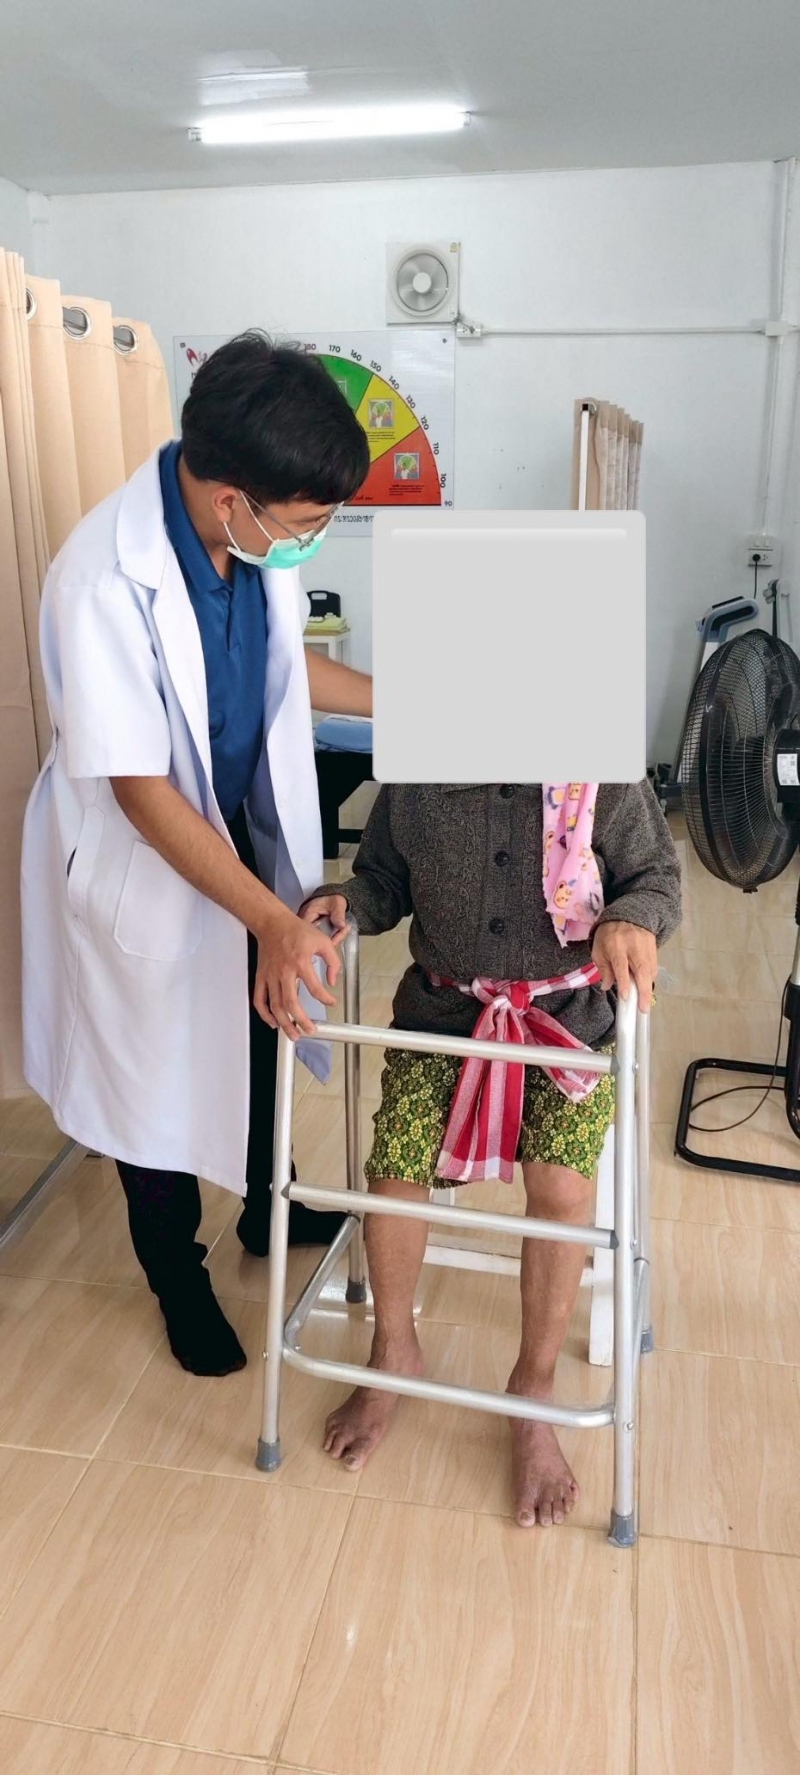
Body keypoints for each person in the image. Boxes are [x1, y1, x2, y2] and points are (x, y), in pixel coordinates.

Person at [21, 333, 372, 1378]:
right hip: (146, 858)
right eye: (306, 522)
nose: (313, 539)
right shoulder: (102, 575)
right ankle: (176, 1275)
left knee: (265, 1030)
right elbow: (140, 788)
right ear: (231, 498)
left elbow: (288, 665)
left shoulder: (246, 548)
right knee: (149, 1077)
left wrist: (407, 695)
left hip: (241, 838)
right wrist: (268, 919)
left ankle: (268, 1204)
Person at [302, 781, 681, 1528]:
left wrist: (633, 916)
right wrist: (350, 901)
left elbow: (656, 877)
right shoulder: (421, 773)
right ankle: (393, 1352)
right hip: (442, 1013)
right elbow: (382, 877)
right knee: (394, 1170)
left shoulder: (601, 771)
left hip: (569, 1020)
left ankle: (532, 1388)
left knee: (562, 1185)